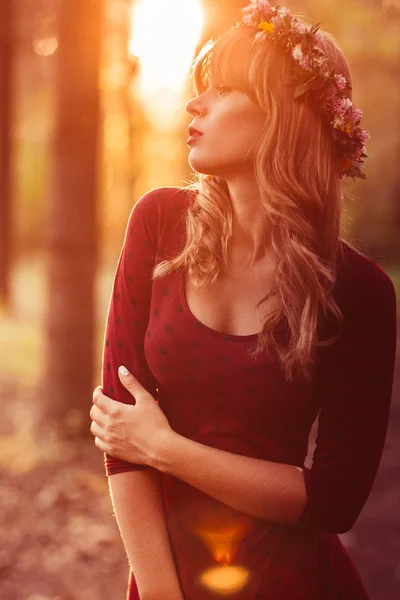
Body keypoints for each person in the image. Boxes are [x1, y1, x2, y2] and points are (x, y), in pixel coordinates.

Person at [89, 2, 397, 599]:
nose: (194, 104)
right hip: (162, 581)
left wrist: (165, 448)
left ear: (284, 118)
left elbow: (334, 500)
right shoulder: (159, 224)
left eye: (224, 89)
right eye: (201, 86)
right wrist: (158, 594)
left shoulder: (359, 293)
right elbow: (117, 436)